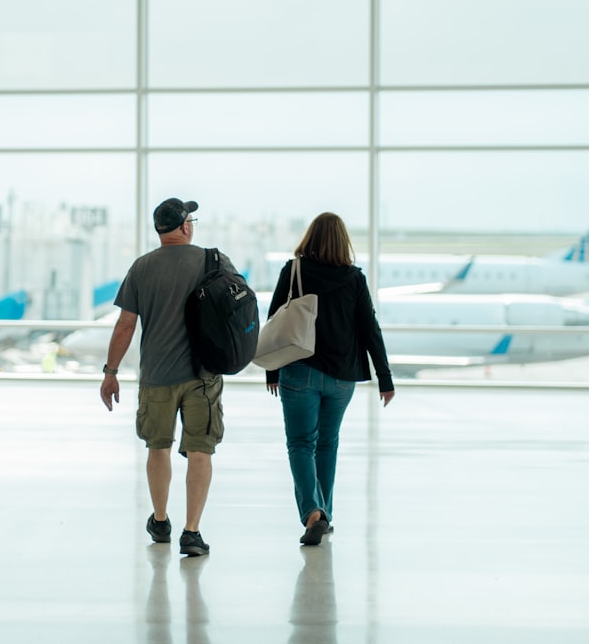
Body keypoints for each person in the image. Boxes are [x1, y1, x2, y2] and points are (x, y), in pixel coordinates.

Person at [100, 197, 237, 557]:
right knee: (200, 451)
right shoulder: (214, 261)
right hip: (203, 375)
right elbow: (239, 307)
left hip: (157, 376)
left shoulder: (142, 268)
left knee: (157, 446)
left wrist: (110, 373)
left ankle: (160, 521)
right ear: (186, 226)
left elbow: (125, 325)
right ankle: (192, 531)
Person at [264, 212, 395, 545]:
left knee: (301, 444)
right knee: (327, 443)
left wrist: (272, 368)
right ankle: (324, 512)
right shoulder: (354, 279)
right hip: (342, 377)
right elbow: (370, 327)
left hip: (299, 371)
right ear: (342, 241)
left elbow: (275, 321)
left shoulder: (294, 270)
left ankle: (313, 513)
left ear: (310, 237)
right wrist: (384, 377)